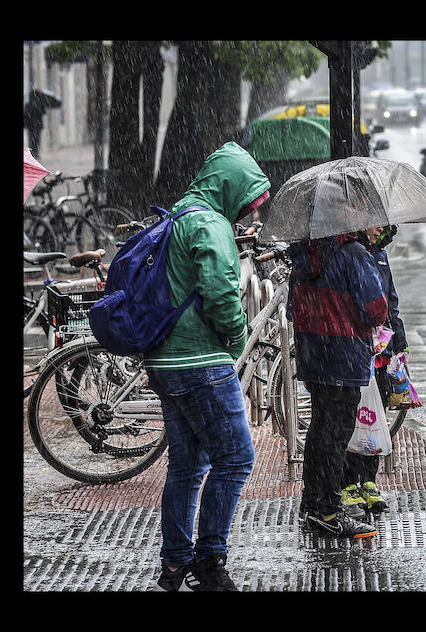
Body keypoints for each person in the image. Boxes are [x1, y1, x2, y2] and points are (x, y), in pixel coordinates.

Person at [146, 142, 270, 591]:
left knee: (187, 465)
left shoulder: (178, 215)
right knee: (236, 458)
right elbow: (220, 292)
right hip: (201, 362)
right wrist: (238, 336)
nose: (247, 214)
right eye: (247, 201)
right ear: (230, 188)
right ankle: (210, 561)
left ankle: (175, 561)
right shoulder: (210, 222)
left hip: (165, 360)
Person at [287, 220, 389, 539]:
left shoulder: (305, 254)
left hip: (313, 353)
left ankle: (313, 503)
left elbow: (293, 309)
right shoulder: (354, 253)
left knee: (320, 430)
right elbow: (376, 310)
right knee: (335, 435)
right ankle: (330, 511)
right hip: (343, 355)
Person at [340, 225, 408, 516]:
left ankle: (368, 481)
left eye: (382, 220)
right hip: (354, 349)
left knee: (373, 418)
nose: (379, 225)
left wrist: (398, 344)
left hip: (379, 351)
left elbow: (390, 301)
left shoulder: (378, 254)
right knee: (349, 419)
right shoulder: (349, 254)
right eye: (373, 220)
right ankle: (347, 483)